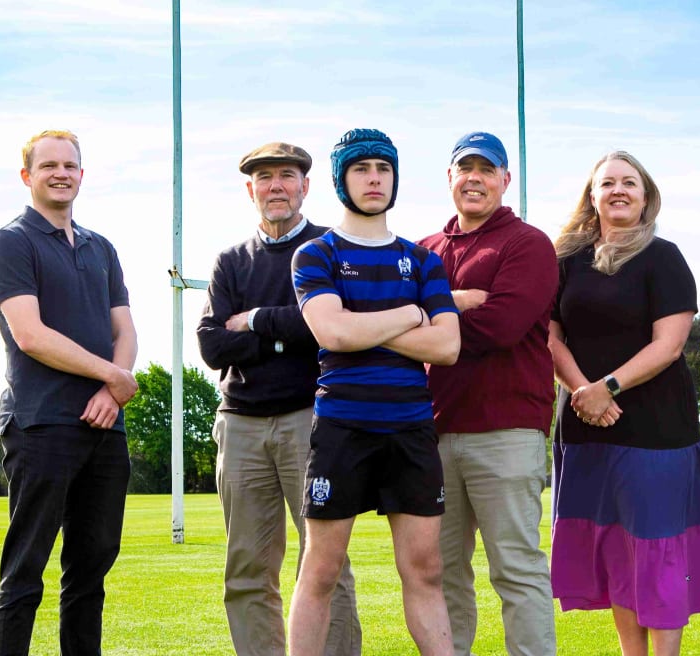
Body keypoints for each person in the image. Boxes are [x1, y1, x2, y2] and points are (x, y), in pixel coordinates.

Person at [549, 151, 700, 656]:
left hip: (655, 433)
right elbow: (549, 339)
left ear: (646, 195)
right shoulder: (565, 260)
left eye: (629, 182)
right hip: (587, 433)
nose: (618, 190)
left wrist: (604, 389)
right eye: (607, 183)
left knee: (657, 555)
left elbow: (668, 345)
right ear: (592, 195)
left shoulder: (664, 257)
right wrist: (582, 392)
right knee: (614, 555)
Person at [287, 129, 460, 656]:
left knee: (425, 571)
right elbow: (333, 334)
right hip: (343, 426)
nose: (374, 178)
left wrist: (366, 323)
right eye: (361, 169)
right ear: (341, 179)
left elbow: (448, 345)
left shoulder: (423, 260)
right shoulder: (315, 255)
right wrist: (411, 313)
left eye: (383, 169)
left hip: (410, 428)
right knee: (321, 569)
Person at [197, 142, 361, 656]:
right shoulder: (230, 261)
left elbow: (329, 329)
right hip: (240, 423)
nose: (275, 186)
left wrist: (257, 324)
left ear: (305, 186)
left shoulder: (329, 249)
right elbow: (211, 344)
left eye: (286, 176)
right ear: (251, 189)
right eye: (264, 178)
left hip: (311, 419)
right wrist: (286, 330)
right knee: (247, 568)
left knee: (325, 563)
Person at [0, 130, 138, 655]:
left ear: (82, 175)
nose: (61, 173)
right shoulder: (10, 241)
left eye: (70, 165)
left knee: (89, 575)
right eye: (48, 165)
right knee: (24, 573)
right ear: (27, 175)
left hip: (104, 430)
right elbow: (31, 335)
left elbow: (126, 331)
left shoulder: (101, 248)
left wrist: (112, 395)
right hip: (41, 424)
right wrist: (114, 378)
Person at [418, 131, 557, 656]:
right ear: (449, 178)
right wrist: (455, 302)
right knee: (438, 573)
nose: (473, 178)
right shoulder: (423, 250)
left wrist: (428, 321)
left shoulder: (528, 244)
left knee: (516, 571)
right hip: (432, 431)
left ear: (505, 179)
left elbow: (499, 327)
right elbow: (387, 319)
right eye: (464, 168)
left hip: (506, 431)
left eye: (485, 169)